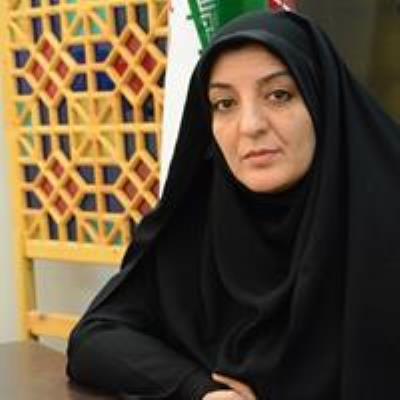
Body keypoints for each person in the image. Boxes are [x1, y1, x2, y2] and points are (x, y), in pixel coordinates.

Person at [66, 10, 400, 400]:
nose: (250, 126)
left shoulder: (385, 223)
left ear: (322, 100)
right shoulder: (199, 220)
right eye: (224, 103)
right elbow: (95, 338)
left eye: (279, 95)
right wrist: (201, 390)